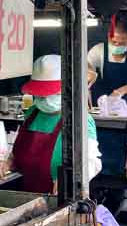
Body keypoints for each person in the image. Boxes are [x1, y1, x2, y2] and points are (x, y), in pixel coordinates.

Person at [10, 54, 101, 193]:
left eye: (51, 94)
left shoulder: (79, 119)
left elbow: (92, 162)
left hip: (60, 196)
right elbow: (18, 155)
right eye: (40, 95)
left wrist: (72, 179)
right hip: (26, 193)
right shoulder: (33, 113)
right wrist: (8, 163)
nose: (45, 99)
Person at [87, 10, 127, 112]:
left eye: (122, 43)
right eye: (114, 42)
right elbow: (86, 66)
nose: (117, 45)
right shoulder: (98, 50)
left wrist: (120, 91)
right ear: (108, 37)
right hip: (105, 108)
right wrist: (89, 74)